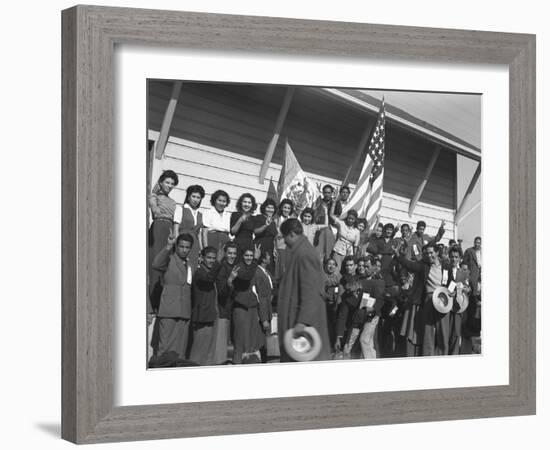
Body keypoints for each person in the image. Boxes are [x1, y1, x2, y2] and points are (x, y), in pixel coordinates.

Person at [277, 218, 331, 362]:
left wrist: (302, 321)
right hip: (298, 320)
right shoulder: (300, 252)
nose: (284, 241)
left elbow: (311, 291)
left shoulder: (304, 253)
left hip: (304, 326)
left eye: (284, 237)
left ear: (292, 234)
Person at [396, 243, 450, 356]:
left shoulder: (445, 266)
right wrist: (398, 256)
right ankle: (428, 356)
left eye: (431, 253)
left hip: (444, 299)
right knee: (428, 331)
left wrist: (452, 291)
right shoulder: (424, 266)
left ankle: (443, 355)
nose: (429, 255)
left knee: (443, 331)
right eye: (426, 253)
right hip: (429, 299)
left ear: (437, 252)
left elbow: (452, 281)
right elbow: (410, 265)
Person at [150, 232, 194, 360]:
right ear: (177, 246)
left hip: (184, 312)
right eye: (181, 246)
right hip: (169, 310)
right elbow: (156, 265)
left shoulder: (189, 264)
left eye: (187, 247)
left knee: (180, 350)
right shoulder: (169, 259)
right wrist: (168, 246)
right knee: (165, 349)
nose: (184, 250)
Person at [148, 170, 180, 314]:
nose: (169, 185)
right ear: (161, 182)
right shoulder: (154, 197)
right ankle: (151, 303)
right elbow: (155, 212)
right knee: (155, 264)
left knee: (165, 266)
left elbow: (175, 221)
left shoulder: (173, 202)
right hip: (158, 228)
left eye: (172, 184)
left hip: (169, 230)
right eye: (167, 182)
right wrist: (154, 199)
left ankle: (162, 302)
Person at [189, 245, 225, 365]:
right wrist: (219, 262)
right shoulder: (199, 271)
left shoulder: (211, 271)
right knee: (199, 352)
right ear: (202, 258)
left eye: (214, 258)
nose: (211, 261)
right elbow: (208, 279)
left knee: (209, 352)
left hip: (212, 315)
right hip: (202, 317)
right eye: (209, 258)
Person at [228, 245, 264, 364]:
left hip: (252, 307)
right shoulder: (239, 267)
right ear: (242, 256)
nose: (249, 258)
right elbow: (245, 277)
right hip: (240, 307)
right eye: (246, 255)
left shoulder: (253, 267)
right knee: (240, 340)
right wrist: (255, 260)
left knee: (251, 341)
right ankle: (237, 363)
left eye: (251, 256)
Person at [213, 241, 239, 364]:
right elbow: (221, 292)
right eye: (229, 253)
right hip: (223, 310)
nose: (232, 256)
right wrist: (229, 282)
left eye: (234, 253)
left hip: (233, 311)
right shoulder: (222, 268)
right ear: (225, 254)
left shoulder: (235, 267)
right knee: (221, 349)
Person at [334, 256, 363, 357]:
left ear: (355, 266)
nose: (348, 267)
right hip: (345, 309)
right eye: (347, 265)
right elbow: (339, 292)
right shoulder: (343, 279)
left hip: (359, 313)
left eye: (351, 265)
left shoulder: (361, 278)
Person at [446, 246, 471, 355]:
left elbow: (468, 287)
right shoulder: (445, 269)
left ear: (460, 258)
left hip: (458, 305)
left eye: (456, 257)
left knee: (456, 332)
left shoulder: (464, 272)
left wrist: (467, 289)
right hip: (445, 304)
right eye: (452, 257)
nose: (453, 259)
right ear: (449, 257)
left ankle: (454, 354)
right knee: (446, 332)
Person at [176, 184, 205, 270]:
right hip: (183, 243)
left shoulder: (200, 214)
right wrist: (176, 246)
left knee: (192, 268)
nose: (195, 199)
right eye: (193, 196)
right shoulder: (180, 209)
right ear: (188, 197)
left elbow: (199, 234)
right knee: (181, 267)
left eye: (198, 197)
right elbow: (176, 228)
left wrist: (201, 249)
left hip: (194, 245)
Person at [253, 251, 274, 362]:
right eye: (268, 256)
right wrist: (264, 318)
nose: (270, 258)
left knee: (265, 342)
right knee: (261, 342)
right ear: (263, 259)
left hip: (268, 309)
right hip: (263, 312)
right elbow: (260, 297)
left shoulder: (266, 272)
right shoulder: (258, 273)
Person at [314, 184, 341, 260]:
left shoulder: (335, 203)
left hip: (330, 230)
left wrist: (335, 202)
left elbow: (337, 215)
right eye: (325, 192)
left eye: (329, 192)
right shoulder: (319, 201)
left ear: (332, 193)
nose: (327, 194)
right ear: (323, 193)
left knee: (328, 253)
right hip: (319, 229)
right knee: (318, 252)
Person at [328, 204, 360, 269]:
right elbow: (331, 215)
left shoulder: (357, 231)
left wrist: (354, 257)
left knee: (345, 271)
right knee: (336, 269)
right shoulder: (341, 224)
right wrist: (334, 203)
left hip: (348, 254)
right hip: (337, 250)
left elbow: (355, 246)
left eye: (352, 219)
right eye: (349, 218)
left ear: (355, 220)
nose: (350, 220)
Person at [253, 198, 278, 275]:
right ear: (264, 208)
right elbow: (255, 232)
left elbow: (274, 237)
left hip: (270, 249)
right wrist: (265, 226)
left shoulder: (273, 222)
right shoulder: (259, 217)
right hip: (260, 247)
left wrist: (275, 249)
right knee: (258, 270)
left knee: (269, 271)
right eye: (268, 207)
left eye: (272, 208)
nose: (270, 210)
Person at [230, 193, 258, 259]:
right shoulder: (235, 215)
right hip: (238, 244)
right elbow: (233, 232)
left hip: (249, 245)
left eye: (249, 202)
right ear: (241, 203)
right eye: (245, 202)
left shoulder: (254, 218)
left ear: (252, 205)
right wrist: (240, 220)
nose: (247, 204)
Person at [322, 257, 341, 352]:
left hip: (336, 305)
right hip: (324, 305)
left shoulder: (338, 278)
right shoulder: (322, 277)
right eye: (329, 264)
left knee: (334, 327)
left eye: (333, 264)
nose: (331, 266)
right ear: (325, 266)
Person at [273, 198, 294, 283]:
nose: (286, 210)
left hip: (289, 250)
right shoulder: (276, 220)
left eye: (288, 208)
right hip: (279, 249)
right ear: (281, 208)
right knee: (278, 273)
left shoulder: (292, 221)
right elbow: (273, 236)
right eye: (285, 207)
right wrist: (274, 248)